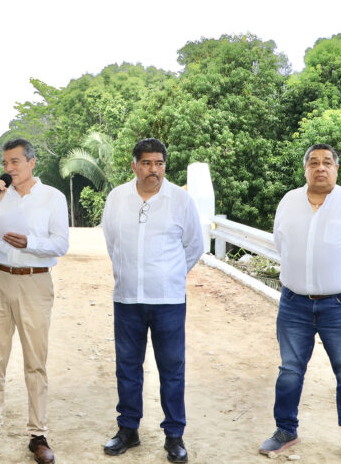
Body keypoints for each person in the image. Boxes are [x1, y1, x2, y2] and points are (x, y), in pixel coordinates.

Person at [259, 144, 341, 464]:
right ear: (305, 169)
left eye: (327, 162)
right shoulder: (289, 201)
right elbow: (280, 243)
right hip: (293, 304)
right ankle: (286, 430)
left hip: (340, 305)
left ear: (337, 169)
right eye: (313, 163)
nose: (320, 168)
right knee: (289, 370)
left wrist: (340, 274)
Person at [100, 138, 203, 463]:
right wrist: (128, 274)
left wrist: (170, 275)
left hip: (168, 302)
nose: (153, 170)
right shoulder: (117, 198)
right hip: (127, 299)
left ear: (165, 166)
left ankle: (174, 436)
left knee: (171, 370)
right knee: (128, 369)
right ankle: (128, 430)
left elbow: (194, 245)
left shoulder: (180, 200)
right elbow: (112, 241)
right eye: (146, 163)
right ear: (134, 165)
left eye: (158, 163)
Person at [0, 138, 69, 464]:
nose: (8, 169)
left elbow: (61, 243)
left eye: (14, 162)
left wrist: (31, 242)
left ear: (31, 163)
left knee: (35, 363)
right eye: (5, 163)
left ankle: (38, 435)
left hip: (35, 281)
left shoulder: (52, 197)